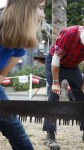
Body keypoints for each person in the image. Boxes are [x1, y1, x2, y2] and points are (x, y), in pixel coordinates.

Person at [43, 14, 84, 150]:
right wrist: (56, 82)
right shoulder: (69, 33)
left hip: (72, 66)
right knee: (53, 96)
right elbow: (56, 58)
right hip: (55, 63)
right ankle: (50, 137)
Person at [0, 0, 46, 149]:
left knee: (17, 132)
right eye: (41, 8)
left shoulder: (20, 41)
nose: (43, 15)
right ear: (24, 8)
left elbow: (1, 76)